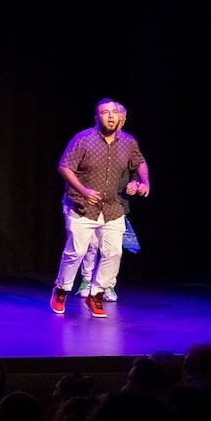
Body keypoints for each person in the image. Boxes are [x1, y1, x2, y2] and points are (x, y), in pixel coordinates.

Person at [49, 98, 149, 318]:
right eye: (105, 112)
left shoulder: (128, 142)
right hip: (81, 205)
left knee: (113, 252)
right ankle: (62, 289)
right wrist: (84, 191)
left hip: (113, 207)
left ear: (120, 117)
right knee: (76, 252)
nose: (111, 116)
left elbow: (139, 162)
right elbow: (64, 167)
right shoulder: (83, 139)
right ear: (97, 117)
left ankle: (97, 294)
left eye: (114, 112)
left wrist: (144, 182)